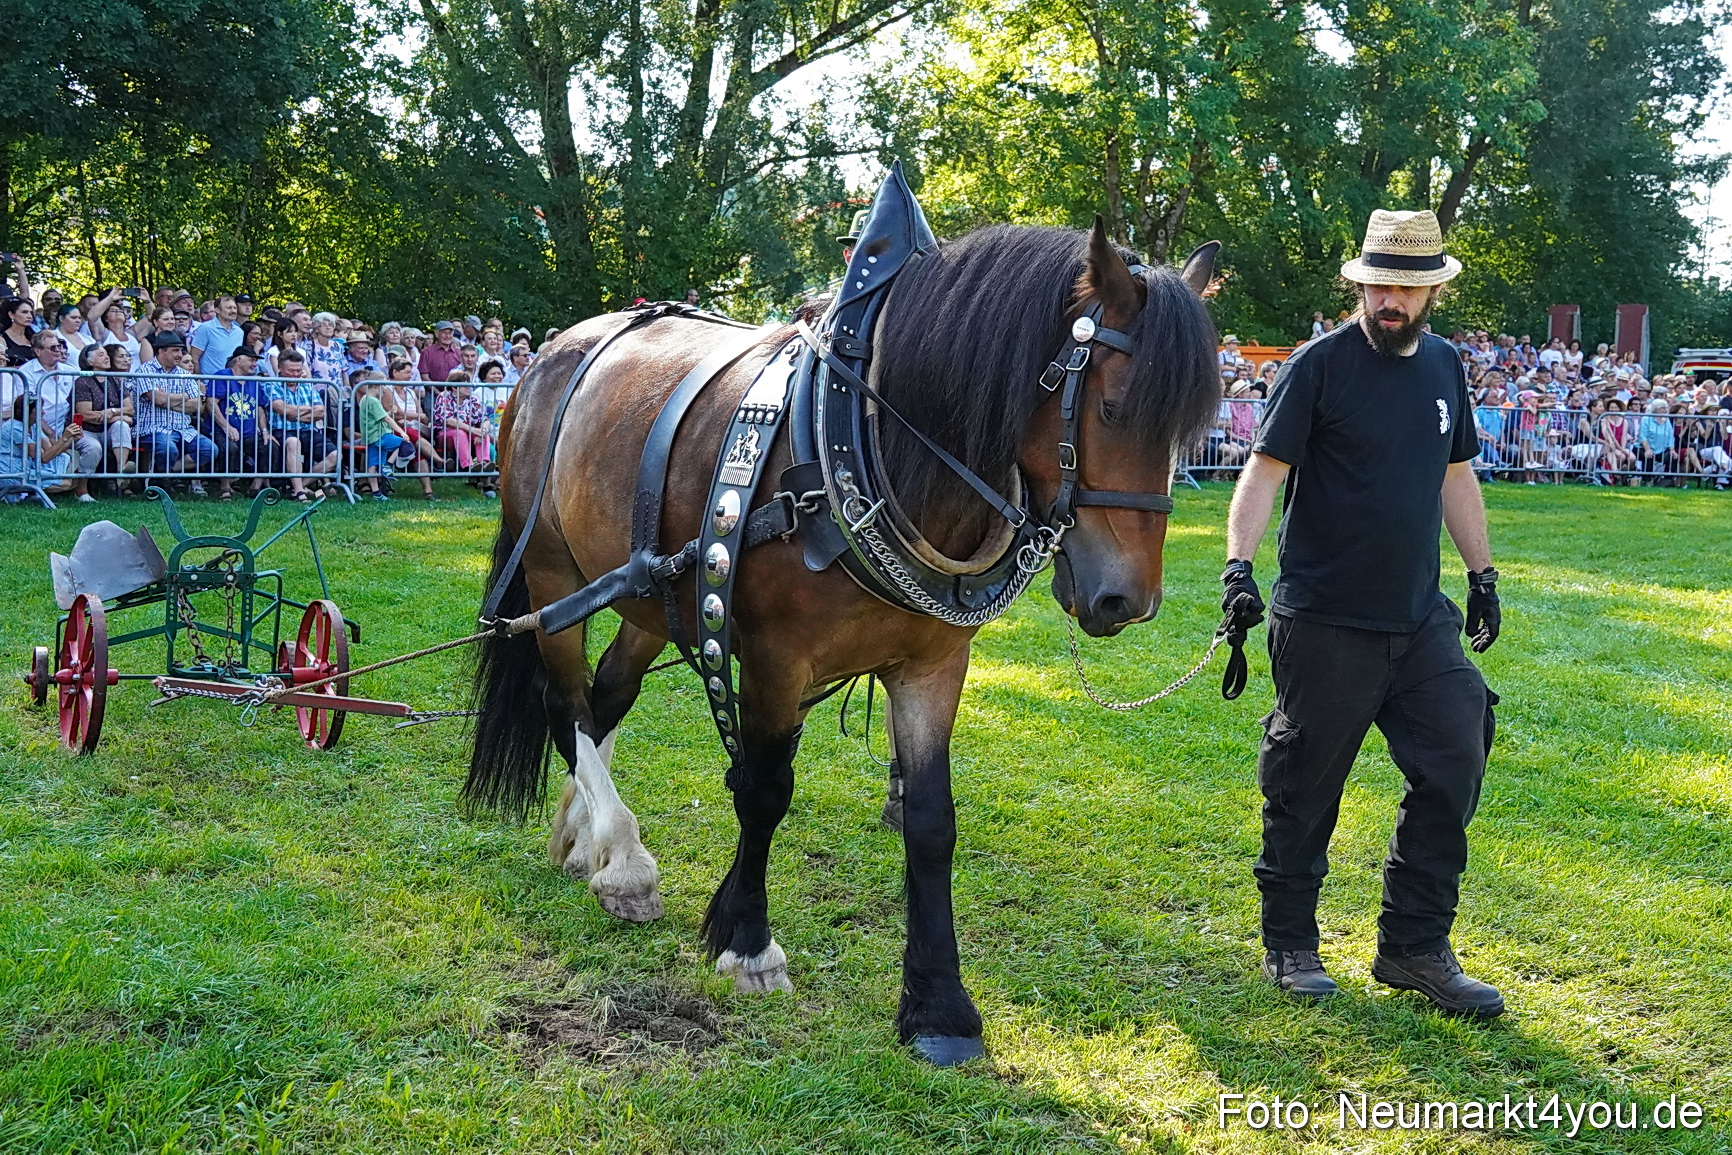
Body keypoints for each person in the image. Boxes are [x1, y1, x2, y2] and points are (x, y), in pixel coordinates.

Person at [1222, 208, 1504, 1017]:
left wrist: (1482, 575)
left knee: (1456, 757)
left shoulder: (1445, 367)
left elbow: (1457, 479)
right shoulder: (1318, 367)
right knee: (1305, 784)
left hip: (1420, 619)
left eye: (1408, 287)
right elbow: (1263, 473)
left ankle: (1414, 947)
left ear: (1431, 294)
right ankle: (1290, 942)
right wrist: (1238, 568)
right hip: (1324, 618)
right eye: (1380, 283)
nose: (1392, 298)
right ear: (1361, 284)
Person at [132, 331, 216, 490]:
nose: (179, 354)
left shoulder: (184, 374)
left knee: (209, 450)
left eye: (180, 350)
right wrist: (184, 396)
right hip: (153, 427)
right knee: (168, 447)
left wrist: (167, 400)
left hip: (183, 428)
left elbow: (197, 405)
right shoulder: (145, 370)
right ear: (161, 351)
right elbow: (158, 399)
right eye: (175, 350)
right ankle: (162, 481)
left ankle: (163, 474)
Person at [203, 346, 278, 499]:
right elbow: (211, 403)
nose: (255, 364)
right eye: (251, 360)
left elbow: (259, 408)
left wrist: (264, 431)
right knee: (229, 447)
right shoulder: (222, 376)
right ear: (239, 359)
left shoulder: (254, 381)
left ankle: (256, 488)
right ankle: (225, 488)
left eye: (256, 361)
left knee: (270, 446)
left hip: (249, 432)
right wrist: (226, 426)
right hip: (221, 430)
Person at [264, 348, 337, 500]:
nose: (295, 374)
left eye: (298, 370)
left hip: (308, 430)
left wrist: (295, 414)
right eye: (291, 370)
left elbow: (320, 411)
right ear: (280, 368)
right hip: (282, 430)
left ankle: (300, 486)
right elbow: (283, 410)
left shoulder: (307, 385)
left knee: (336, 456)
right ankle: (299, 492)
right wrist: (308, 411)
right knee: (293, 442)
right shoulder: (271, 385)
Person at [1, 393, 85, 498]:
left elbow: (50, 451)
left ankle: (32, 493)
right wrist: (64, 437)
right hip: (12, 472)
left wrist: (71, 439)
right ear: (27, 412)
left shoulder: (34, 425)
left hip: (27, 467)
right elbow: (43, 458)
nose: (44, 412)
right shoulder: (14, 428)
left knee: (65, 458)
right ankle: (29, 493)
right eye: (40, 409)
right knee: (66, 483)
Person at [73, 343, 134, 478]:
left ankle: (121, 473)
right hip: (86, 431)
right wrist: (120, 416)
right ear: (89, 361)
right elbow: (85, 415)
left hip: (107, 430)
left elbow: (130, 409)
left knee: (121, 426)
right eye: (101, 355)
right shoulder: (83, 382)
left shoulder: (116, 380)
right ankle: (81, 489)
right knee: (93, 447)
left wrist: (112, 412)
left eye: (106, 354)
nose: (107, 357)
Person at [432, 370, 494, 490]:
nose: (469, 387)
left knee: (483, 435)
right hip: (444, 434)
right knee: (459, 433)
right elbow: (449, 421)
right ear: (454, 387)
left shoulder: (473, 399)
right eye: (465, 384)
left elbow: (485, 419)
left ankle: (484, 464)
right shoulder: (444, 397)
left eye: (469, 383)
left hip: (468, 432)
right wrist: (473, 430)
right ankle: (468, 467)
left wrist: (482, 431)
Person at [3, 298, 36, 366]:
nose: (29, 316)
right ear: (11, 315)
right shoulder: (2, 339)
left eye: (31, 313)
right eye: (24, 312)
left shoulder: (35, 337)